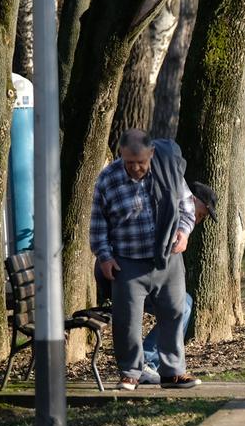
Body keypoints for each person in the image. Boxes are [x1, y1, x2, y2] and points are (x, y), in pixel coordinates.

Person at [89, 129, 199, 391]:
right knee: (127, 320)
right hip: (127, 261)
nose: (135, 168)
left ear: (151, 154)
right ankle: (130, 372)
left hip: (167, 257)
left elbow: (187, 208)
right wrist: (104, 257)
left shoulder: (168, 171)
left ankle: (172, 372)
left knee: (174, 311)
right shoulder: (108, 179)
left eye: (140, 162)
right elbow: (98, 225)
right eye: (129, 162)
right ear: (121, 156)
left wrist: (183, 233)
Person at [139, 181, 217, 385]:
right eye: (201, 214)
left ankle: (161, 363)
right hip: (136, 280)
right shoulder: (169, 214)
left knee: (185, 302)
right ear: (193, 201)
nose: (199, 220)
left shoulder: (180, 226)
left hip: (152, 281)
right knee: (181, 306)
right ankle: (147, 361)